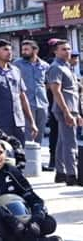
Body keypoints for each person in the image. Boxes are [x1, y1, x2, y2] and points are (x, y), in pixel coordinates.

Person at [0, 138, 57, 240]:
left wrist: (35, 220)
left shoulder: (11, 170)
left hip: (18, 215)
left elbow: (32, 197)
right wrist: (8, 218)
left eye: (0, 152)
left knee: (49, 223)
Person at [0, 39, 38, 143]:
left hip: (18, 122)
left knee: (20, 154)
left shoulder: (15, 71)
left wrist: (32, 122)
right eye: (5, 50)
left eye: (11, 50)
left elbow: (22, 97)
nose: (10, 53)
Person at [45, 38, 82, 185]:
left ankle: (60, 173)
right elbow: (56, 91)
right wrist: (66, 112)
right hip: (64, 109)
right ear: (55, 51)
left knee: (62, 142)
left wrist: (77, 113)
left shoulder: (67, 66)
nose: (67, 52)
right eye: (63, 49)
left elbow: (72, 92)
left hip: (71, 108)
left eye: (68, 49)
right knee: (70, 143)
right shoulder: (56, 67)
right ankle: (72, 175)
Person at [13, 40, 49, 145]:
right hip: (26, 104)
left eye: (26, 50)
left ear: (35, 50)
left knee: (40, 133)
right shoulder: (17, 64)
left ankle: (37, 156)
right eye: (22, 50)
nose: (23, 52)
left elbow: (48, 83)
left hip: (42, 104)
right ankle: (27, 158)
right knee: (27, 134)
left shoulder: (45, 65)